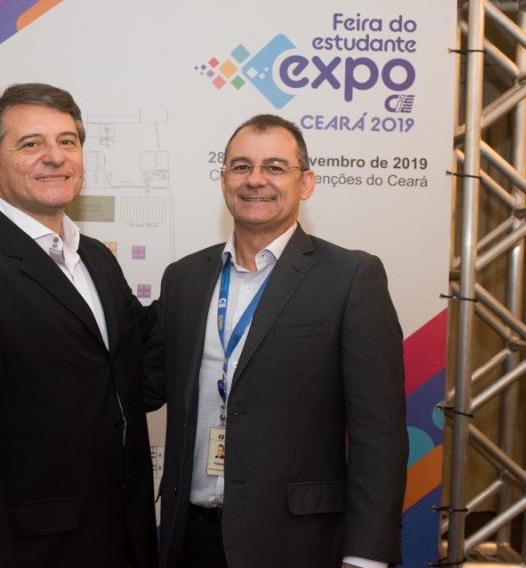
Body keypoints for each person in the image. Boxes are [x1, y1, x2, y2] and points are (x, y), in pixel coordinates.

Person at [0, 83, 157, 568]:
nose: (55, 156)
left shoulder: (97, 260)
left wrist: (212, 285)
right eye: (31, 143)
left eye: (67, 141)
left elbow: (135, 373)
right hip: (27, 553)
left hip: (114, 541)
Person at [144, 114, 408, 568]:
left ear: (306, 183)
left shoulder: (351, 278)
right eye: (241, 166)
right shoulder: (184, 278)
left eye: (275, 167)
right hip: (190, 539)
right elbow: (144, 382)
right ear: (224, 180)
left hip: (297, 543)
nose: (256, 180)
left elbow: (379, 433)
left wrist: (366, 556)